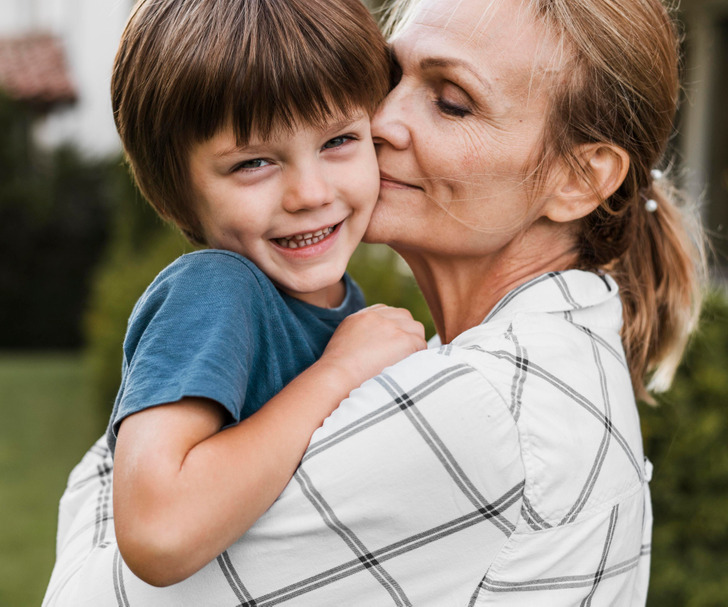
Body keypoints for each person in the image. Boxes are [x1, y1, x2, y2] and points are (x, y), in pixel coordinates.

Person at [43, 0, 706, 604]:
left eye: (451, 101)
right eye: (391, 76)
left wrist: (100, 474)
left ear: (579, 178)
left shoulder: (483, 410)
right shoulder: (530, 359)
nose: (379, 121)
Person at [45, 0, 427, 594]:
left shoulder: (342, 310)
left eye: (338, 140)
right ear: (179, 193)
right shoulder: (218, 291)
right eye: (253, 163)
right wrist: (339, 373)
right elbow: (158, 530)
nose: (309, 192)